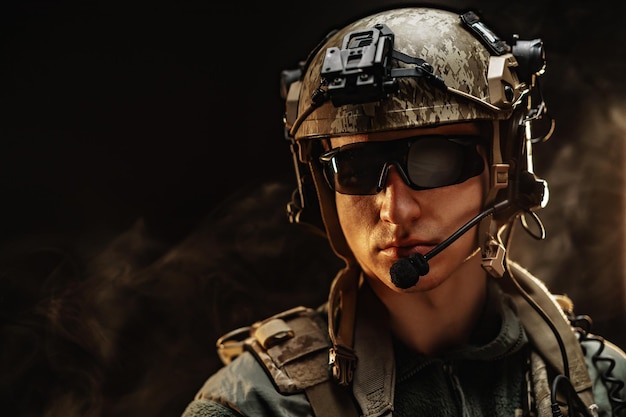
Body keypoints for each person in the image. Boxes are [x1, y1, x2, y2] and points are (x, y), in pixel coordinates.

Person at [181, 5, 626, 417]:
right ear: (320, 188)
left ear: (503, 169)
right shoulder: (255, 405)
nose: (396, 210)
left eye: (434, 161)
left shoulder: (603, 387)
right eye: (354, 170)